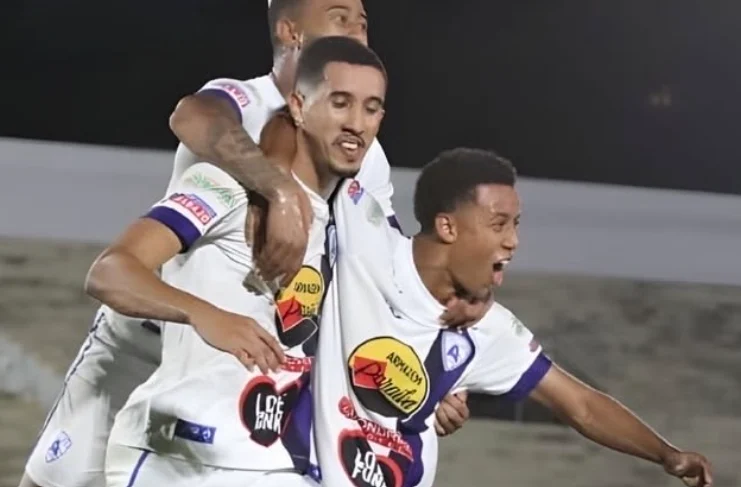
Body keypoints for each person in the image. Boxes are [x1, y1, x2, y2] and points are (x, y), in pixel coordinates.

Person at [19, 2, 469, 487]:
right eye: (340, 16)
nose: (358, 30)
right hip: (147, 336)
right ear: (291, 31)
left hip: (249, 369)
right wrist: (276, 188)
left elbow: (381, 268)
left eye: (363, 21)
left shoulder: (365, 154)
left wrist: (424, 375)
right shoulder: (242, 101)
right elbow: (190, 116)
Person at [312, 148, 715, 487]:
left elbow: (581, 405)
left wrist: (667, 455)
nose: (513, 241)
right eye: (499, 224)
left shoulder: (488, 330)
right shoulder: (365, 234)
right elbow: (335, 111)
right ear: (448, 226)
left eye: (515, 225)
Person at [97, 36, 385, 487]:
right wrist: (203, 314)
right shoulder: (227, 188)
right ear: (299, 106)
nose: (356, 124)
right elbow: (111, 271)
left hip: (266, 465)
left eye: (371, 109)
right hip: (175, 456)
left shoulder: (348, 223)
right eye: (340, 103)